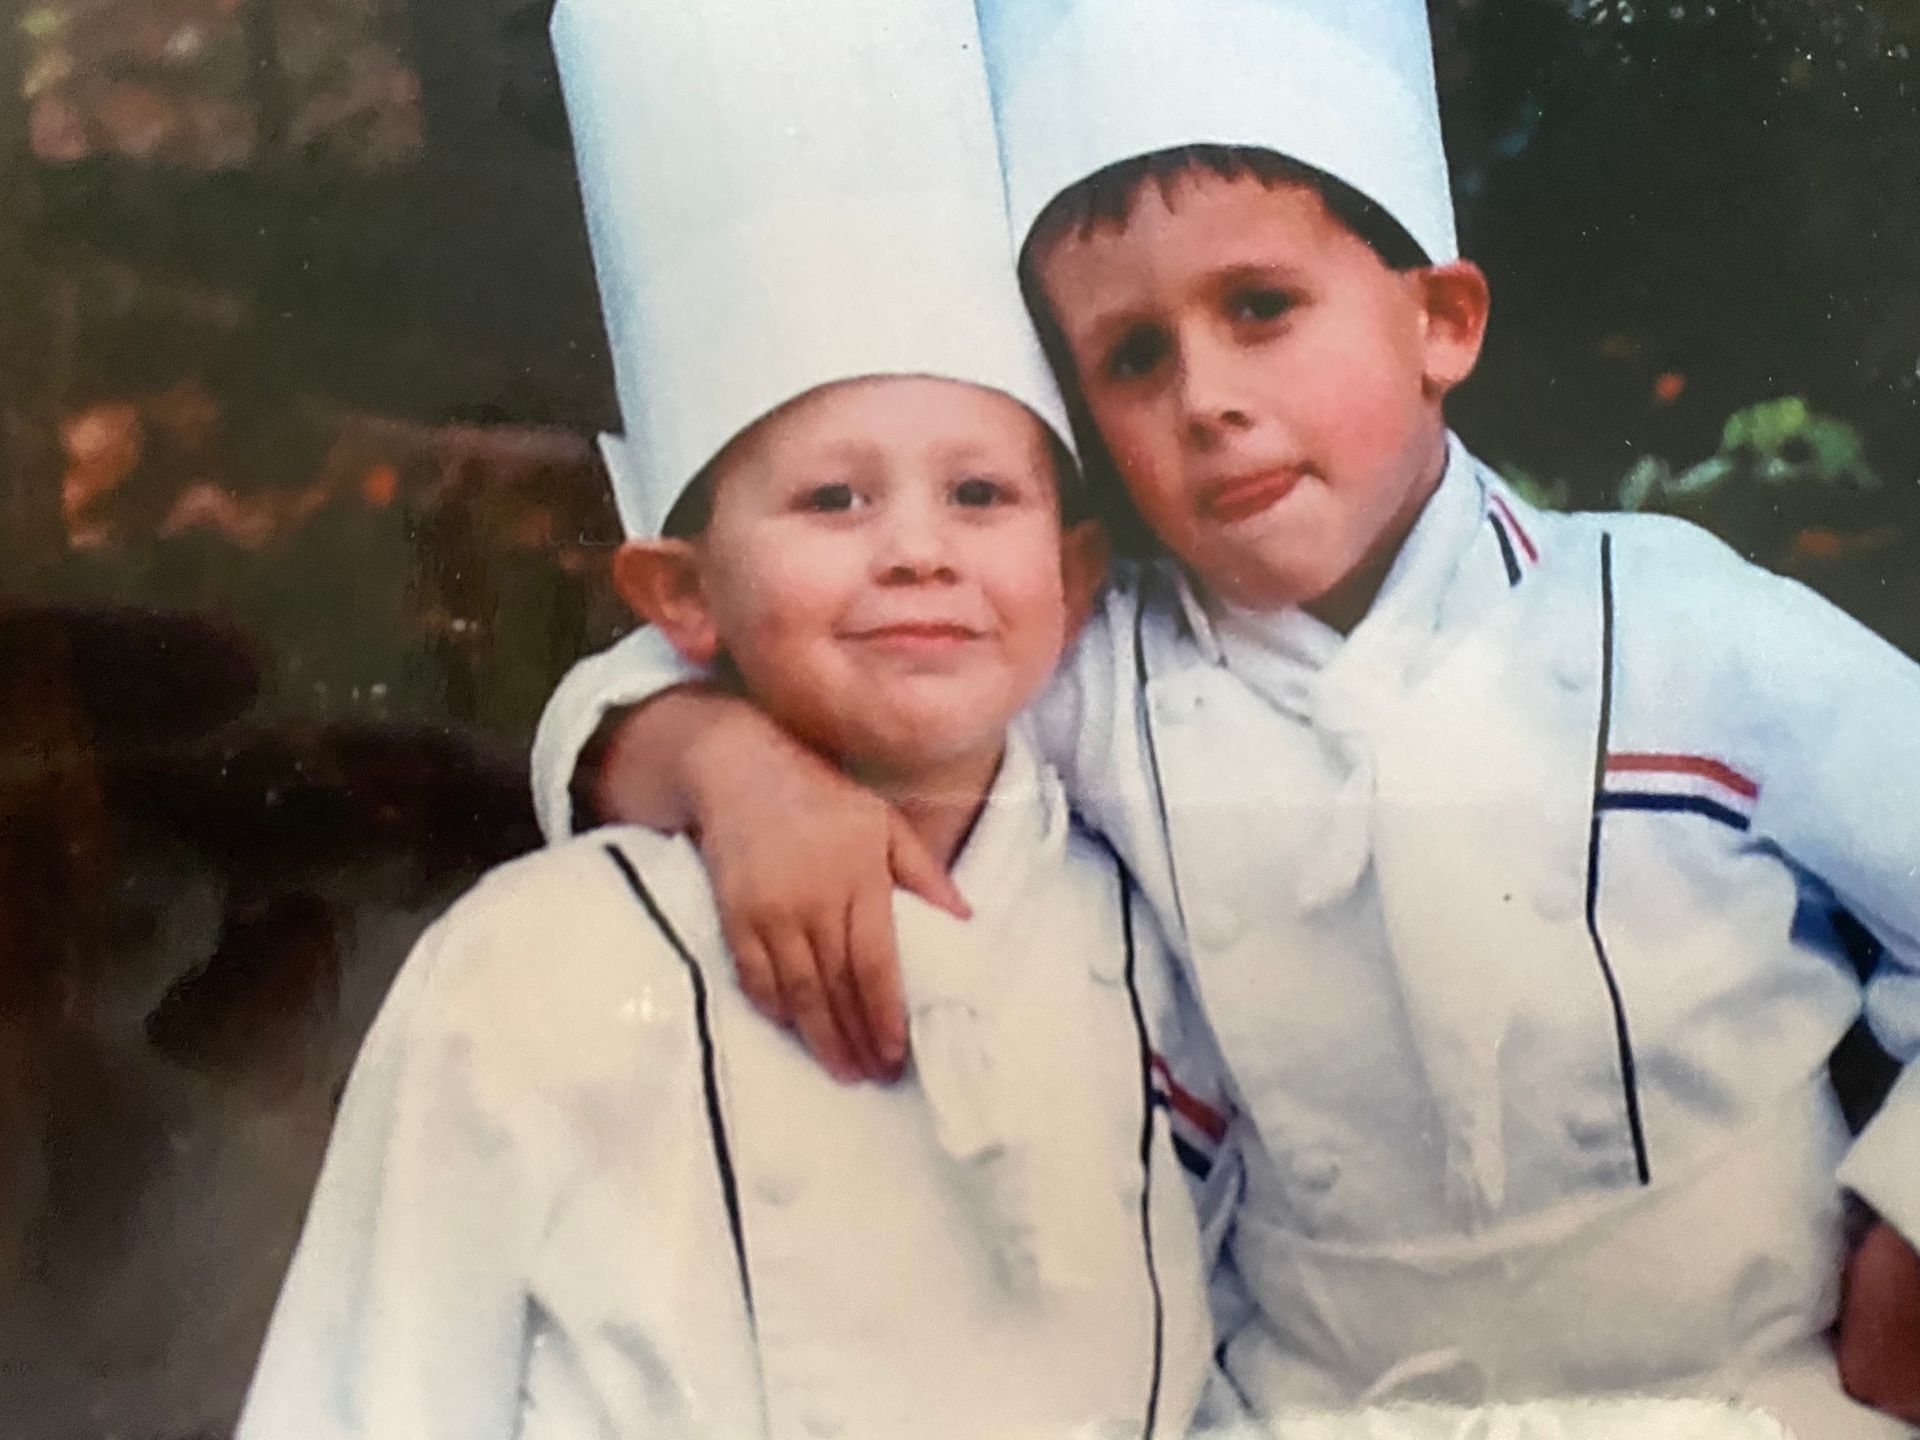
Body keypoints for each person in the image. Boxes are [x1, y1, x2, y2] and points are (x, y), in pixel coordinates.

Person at [527, 0, 1920, 1432]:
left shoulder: (1686, 635)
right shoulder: (1096, 675)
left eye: (1261, 309)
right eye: (1131, 357)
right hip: (1306, 1411)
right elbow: (653, 685)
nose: (1206, 397)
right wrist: (737, 771)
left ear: (1441, 321)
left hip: (1748, 1394)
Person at [233, 0, 1235, 1435]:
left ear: (1074, 578)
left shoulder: (1152, 933)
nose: (916, 551)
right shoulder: (534, 965)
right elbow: (368, 1398)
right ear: (680, 595)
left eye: (981, 494)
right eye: (833, 497)